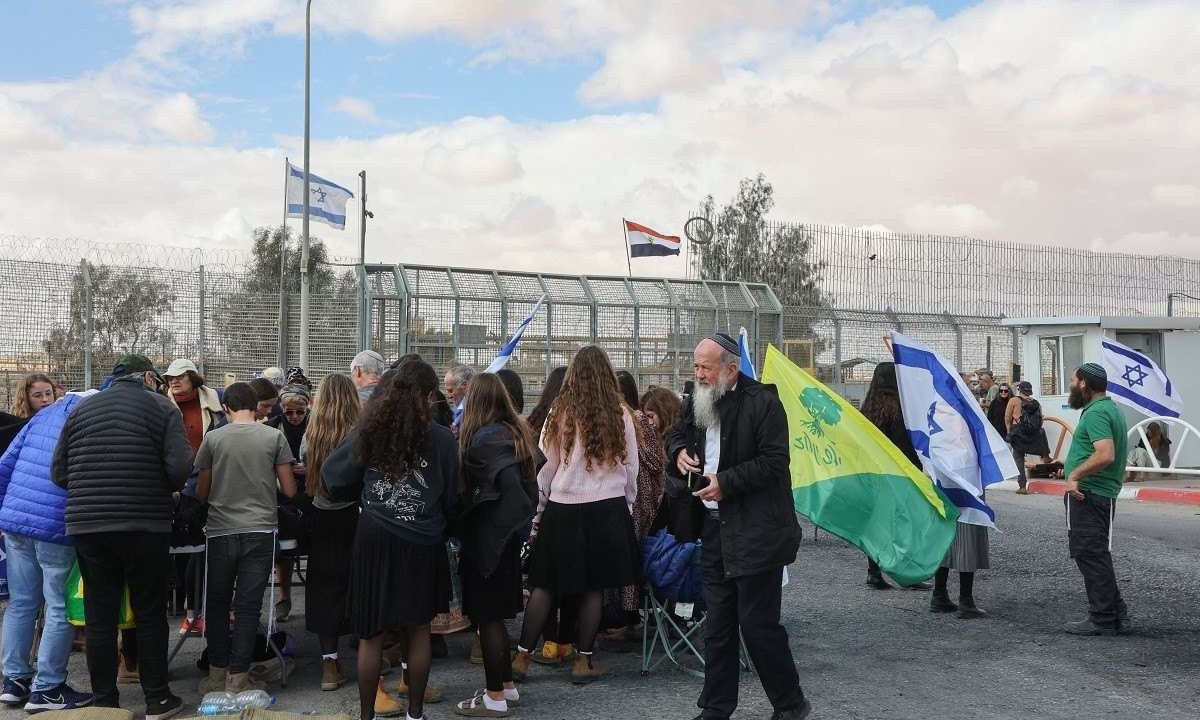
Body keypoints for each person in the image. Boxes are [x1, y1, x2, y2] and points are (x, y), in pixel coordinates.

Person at [666, 334, 809, 720]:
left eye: (705, 367)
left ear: (731, 369)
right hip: (713, 529)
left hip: (757, 532)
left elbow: (775, 462)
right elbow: (678, 434)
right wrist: (677, 453)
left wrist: (725, 483)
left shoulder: (762, 402)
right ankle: (716, 707)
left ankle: (790, 705)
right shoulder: (696, 398)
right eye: (695, 366)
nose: (698, 374)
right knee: (718, 624)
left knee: (757, 625)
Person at [51, 355, 192, 720]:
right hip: (144, 524)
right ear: (147, 377)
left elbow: (58, 472)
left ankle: (105, 703)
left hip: (88, 525)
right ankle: (158, 700)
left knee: (100, 615)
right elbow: (179, 470)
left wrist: (91, 490)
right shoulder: (162, 408)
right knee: (149, 612)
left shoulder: (82, 410)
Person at [322, 359, 459, 720]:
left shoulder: (370, 430)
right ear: (429, 394)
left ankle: (366, 716)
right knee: (418, 632)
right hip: (423, 539)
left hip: (375, 537)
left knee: (371, 635)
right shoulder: (443, 439)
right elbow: (453, 497)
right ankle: (415, 714)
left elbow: (333, 477)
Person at [511, 345, 640, 685]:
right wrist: (626, 506)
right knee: (594, 588)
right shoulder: (620, 413)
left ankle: (522, 657)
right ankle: (583, 662)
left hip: (563, 507)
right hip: (608, 507)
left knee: (545, 585)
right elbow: (631, 469)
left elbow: (546, 467)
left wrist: (539, 513)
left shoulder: (560, 410)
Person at [194, 382, 297, 693]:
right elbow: (289, 490)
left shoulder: (213, 438)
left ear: (226, 407)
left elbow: (201, 491)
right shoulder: (274, 436)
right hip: (261, 529)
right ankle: (239, 677)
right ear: (257, 406)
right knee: (249, 604)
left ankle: (215, 674)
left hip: (221, 530)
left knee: (217, 601)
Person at [0, 390, 98, 712]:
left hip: (15, 521)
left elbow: (6, 464)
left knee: (21, 603)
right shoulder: (89, 419)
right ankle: (48, 688)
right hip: (54, 524)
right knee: (58, 606)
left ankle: (14, 683)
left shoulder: (41, 417)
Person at [452, 374, 537, 717]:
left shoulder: (484, 440)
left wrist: (484, 524)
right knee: (496, 619)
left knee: (487, 619)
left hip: (487, 543)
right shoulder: (515, 432)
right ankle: (507, 687)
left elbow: (510, 493)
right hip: (503, 543)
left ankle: (494, 697)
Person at [300, 374, 362, 692]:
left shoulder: (312, 430)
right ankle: (369, 655)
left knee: (324, 585)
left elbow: (303, 460)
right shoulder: (360, 431)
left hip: (322, 514)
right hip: (356, 514)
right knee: (359, 582)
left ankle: (328, 664)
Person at [1062, 363, 1130, 636]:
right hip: (1099, 492)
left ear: (1083, 384)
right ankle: (1116, 614)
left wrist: (1075, 474)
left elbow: (1105, 454)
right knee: (1096, 554)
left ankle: (1102, 618)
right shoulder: (1110, 409)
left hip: (1089, 493)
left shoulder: (1096, 413)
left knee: (1090, 554)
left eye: (1072, 380)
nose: (1070, 385)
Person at [163, 359, 228, 634]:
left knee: (209, 549)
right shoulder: (163, 405)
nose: (173, 381)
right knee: (187, 551)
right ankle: (191, 612)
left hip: (207, 479)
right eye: (170, 378)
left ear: (192, 378)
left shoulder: (216, 405)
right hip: (175, 483)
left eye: (179, 377)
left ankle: (217, 611)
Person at [519, 366, 577, 667]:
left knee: (542, 581)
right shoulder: (583, 417)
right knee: (570, 583)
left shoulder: (538, 419)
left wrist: (536, 514)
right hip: (571, 510)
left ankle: (545, 641)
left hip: (546, 506)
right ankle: (566, 641)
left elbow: (540, 472)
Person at [602, 371, 666, 645]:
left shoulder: (637, 419)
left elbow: (655, 460)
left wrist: (631, 446)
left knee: (631, 557)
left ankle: (628, 620)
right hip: (621, 497)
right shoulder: (611, 419)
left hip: (638, 499)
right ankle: (618, 617)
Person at [859, 362, 927, 591]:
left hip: (875, 475)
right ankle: (908, 572)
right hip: (899, 475)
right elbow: (905, 446)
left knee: (878, 524)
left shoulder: (867, 409)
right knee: (906, 525)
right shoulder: (898, 408)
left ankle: (873, 572)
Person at [266, 383, 312, 622]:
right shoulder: (272, 427)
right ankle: (284, 596)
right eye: (289, 412)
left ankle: (315, 597)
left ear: (308, 408)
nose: (294, 416)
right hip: (281, 492)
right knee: (283, 546)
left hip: (311, 490)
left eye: (300, 412)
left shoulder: (317, 426)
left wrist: (313, 467)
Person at [1005, 381, 1052, 494]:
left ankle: (1022, 487)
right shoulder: (1036, 403)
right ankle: (1045, 455)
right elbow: (1040, 418)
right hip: (1032, 433)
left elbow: (1007, 417)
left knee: (1018, 458)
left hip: (1018, 432)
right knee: (1041, 433)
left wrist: (1008, 431)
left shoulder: (1014, 400)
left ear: (1019, 390)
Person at [2, 373, 57, 456]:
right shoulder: (14, 424)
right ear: (26, 398)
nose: (45, 399)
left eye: (48, 393)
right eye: (38, 396)